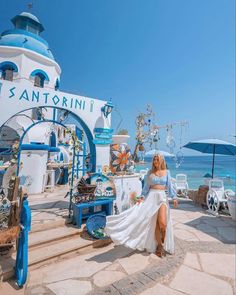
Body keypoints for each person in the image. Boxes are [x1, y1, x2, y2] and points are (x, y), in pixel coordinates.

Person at [105, 154, 178, 257]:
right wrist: (142, 198)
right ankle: (159, 246)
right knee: (154, 224)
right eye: (154, 160)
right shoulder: (150, 173)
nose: (155, 162)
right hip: (151, 198)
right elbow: (146, 188)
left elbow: (170, 187)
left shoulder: (167, 172)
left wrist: (174, 197)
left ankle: (163, 238)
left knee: (163, 223)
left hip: (162, 198)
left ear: (161, 161)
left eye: (157, 160)